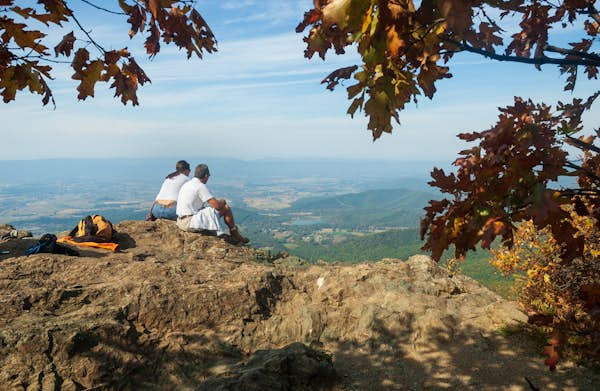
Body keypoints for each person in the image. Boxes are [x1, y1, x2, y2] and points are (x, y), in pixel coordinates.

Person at [176, 164, 249, 244]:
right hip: (189, 223)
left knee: (208, 211)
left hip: (180, 221)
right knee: (225, 208)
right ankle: (235, 234)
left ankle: (231, 233)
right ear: (206, 176)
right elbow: (217, 206)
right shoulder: (200, 186)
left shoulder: (188, 184)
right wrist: (223, 201)